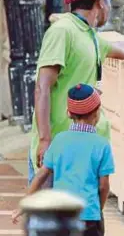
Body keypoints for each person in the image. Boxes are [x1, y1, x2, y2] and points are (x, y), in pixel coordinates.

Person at [29, 0, 124, 187]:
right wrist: (45, 140)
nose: (109, 7)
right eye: (108, 1)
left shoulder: (88, 35)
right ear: (101, 1)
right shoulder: (62, 31)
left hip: (80, 148)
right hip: (56, 150)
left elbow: (118, 48)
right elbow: (42, 87)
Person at [13, 83, 114, 236]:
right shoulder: (102, 145)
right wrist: (97, 209)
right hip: (90, 216)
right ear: (97, 113)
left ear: (69, 113)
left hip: (62, 215)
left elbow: (41, 175)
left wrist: (25, 205)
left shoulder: (59, 140)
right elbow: (103, 186)